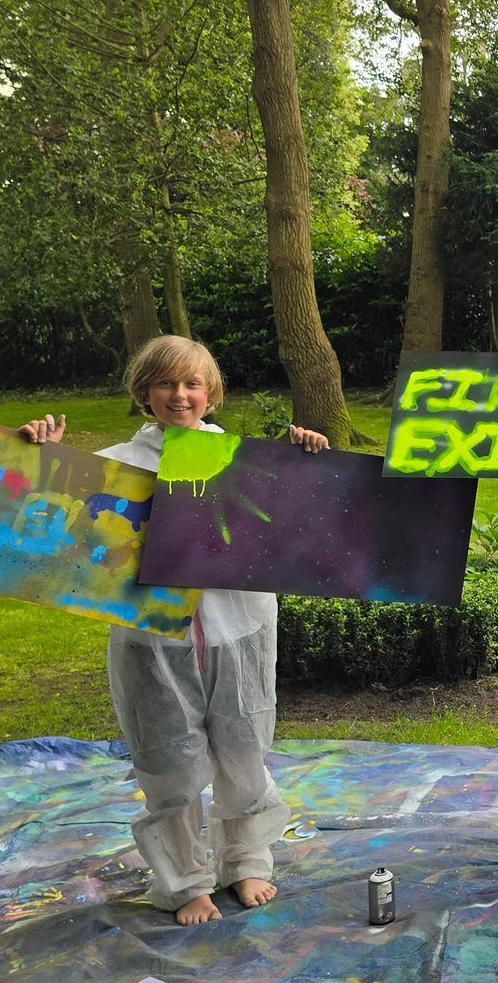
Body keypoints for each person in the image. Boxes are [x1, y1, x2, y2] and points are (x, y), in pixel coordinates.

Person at [19, 336, 326, 925]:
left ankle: (247, 860)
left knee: (244, 746)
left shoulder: (250, 459)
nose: (179, 395)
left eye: (192, 384)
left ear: (210, 394)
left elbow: (306, 522)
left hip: (240, 626)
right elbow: (57, 540)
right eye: (165, 383)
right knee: (168, 758)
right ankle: (185, 881)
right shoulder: (118, 464)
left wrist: (306, 458)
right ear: (144, 393)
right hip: (152, 639)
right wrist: (46, 466)